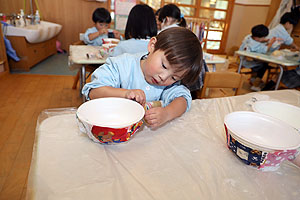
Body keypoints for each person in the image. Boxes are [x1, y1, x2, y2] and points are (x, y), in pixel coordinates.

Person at [82, 27, 203, 128]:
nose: (164, 78)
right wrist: (125, 93)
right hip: (110, 127)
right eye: (164, 66)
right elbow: (93, 92)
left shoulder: (168, 85)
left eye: (174, 78)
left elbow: (183, 99)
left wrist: (167, 113)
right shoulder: (122, 65)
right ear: (152, 45)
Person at [239, 24, 276, 91]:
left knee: (261, 63)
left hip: (241, 58)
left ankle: (254, 79)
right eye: (263, 37)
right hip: (247, 62)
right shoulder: (255, 45)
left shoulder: (248, 37)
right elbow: (265, 49)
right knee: (264, 65)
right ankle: (255, 83)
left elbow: (256, 41)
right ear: (257, 38)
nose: (264, 39)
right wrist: (271, 43)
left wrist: (264, 40)